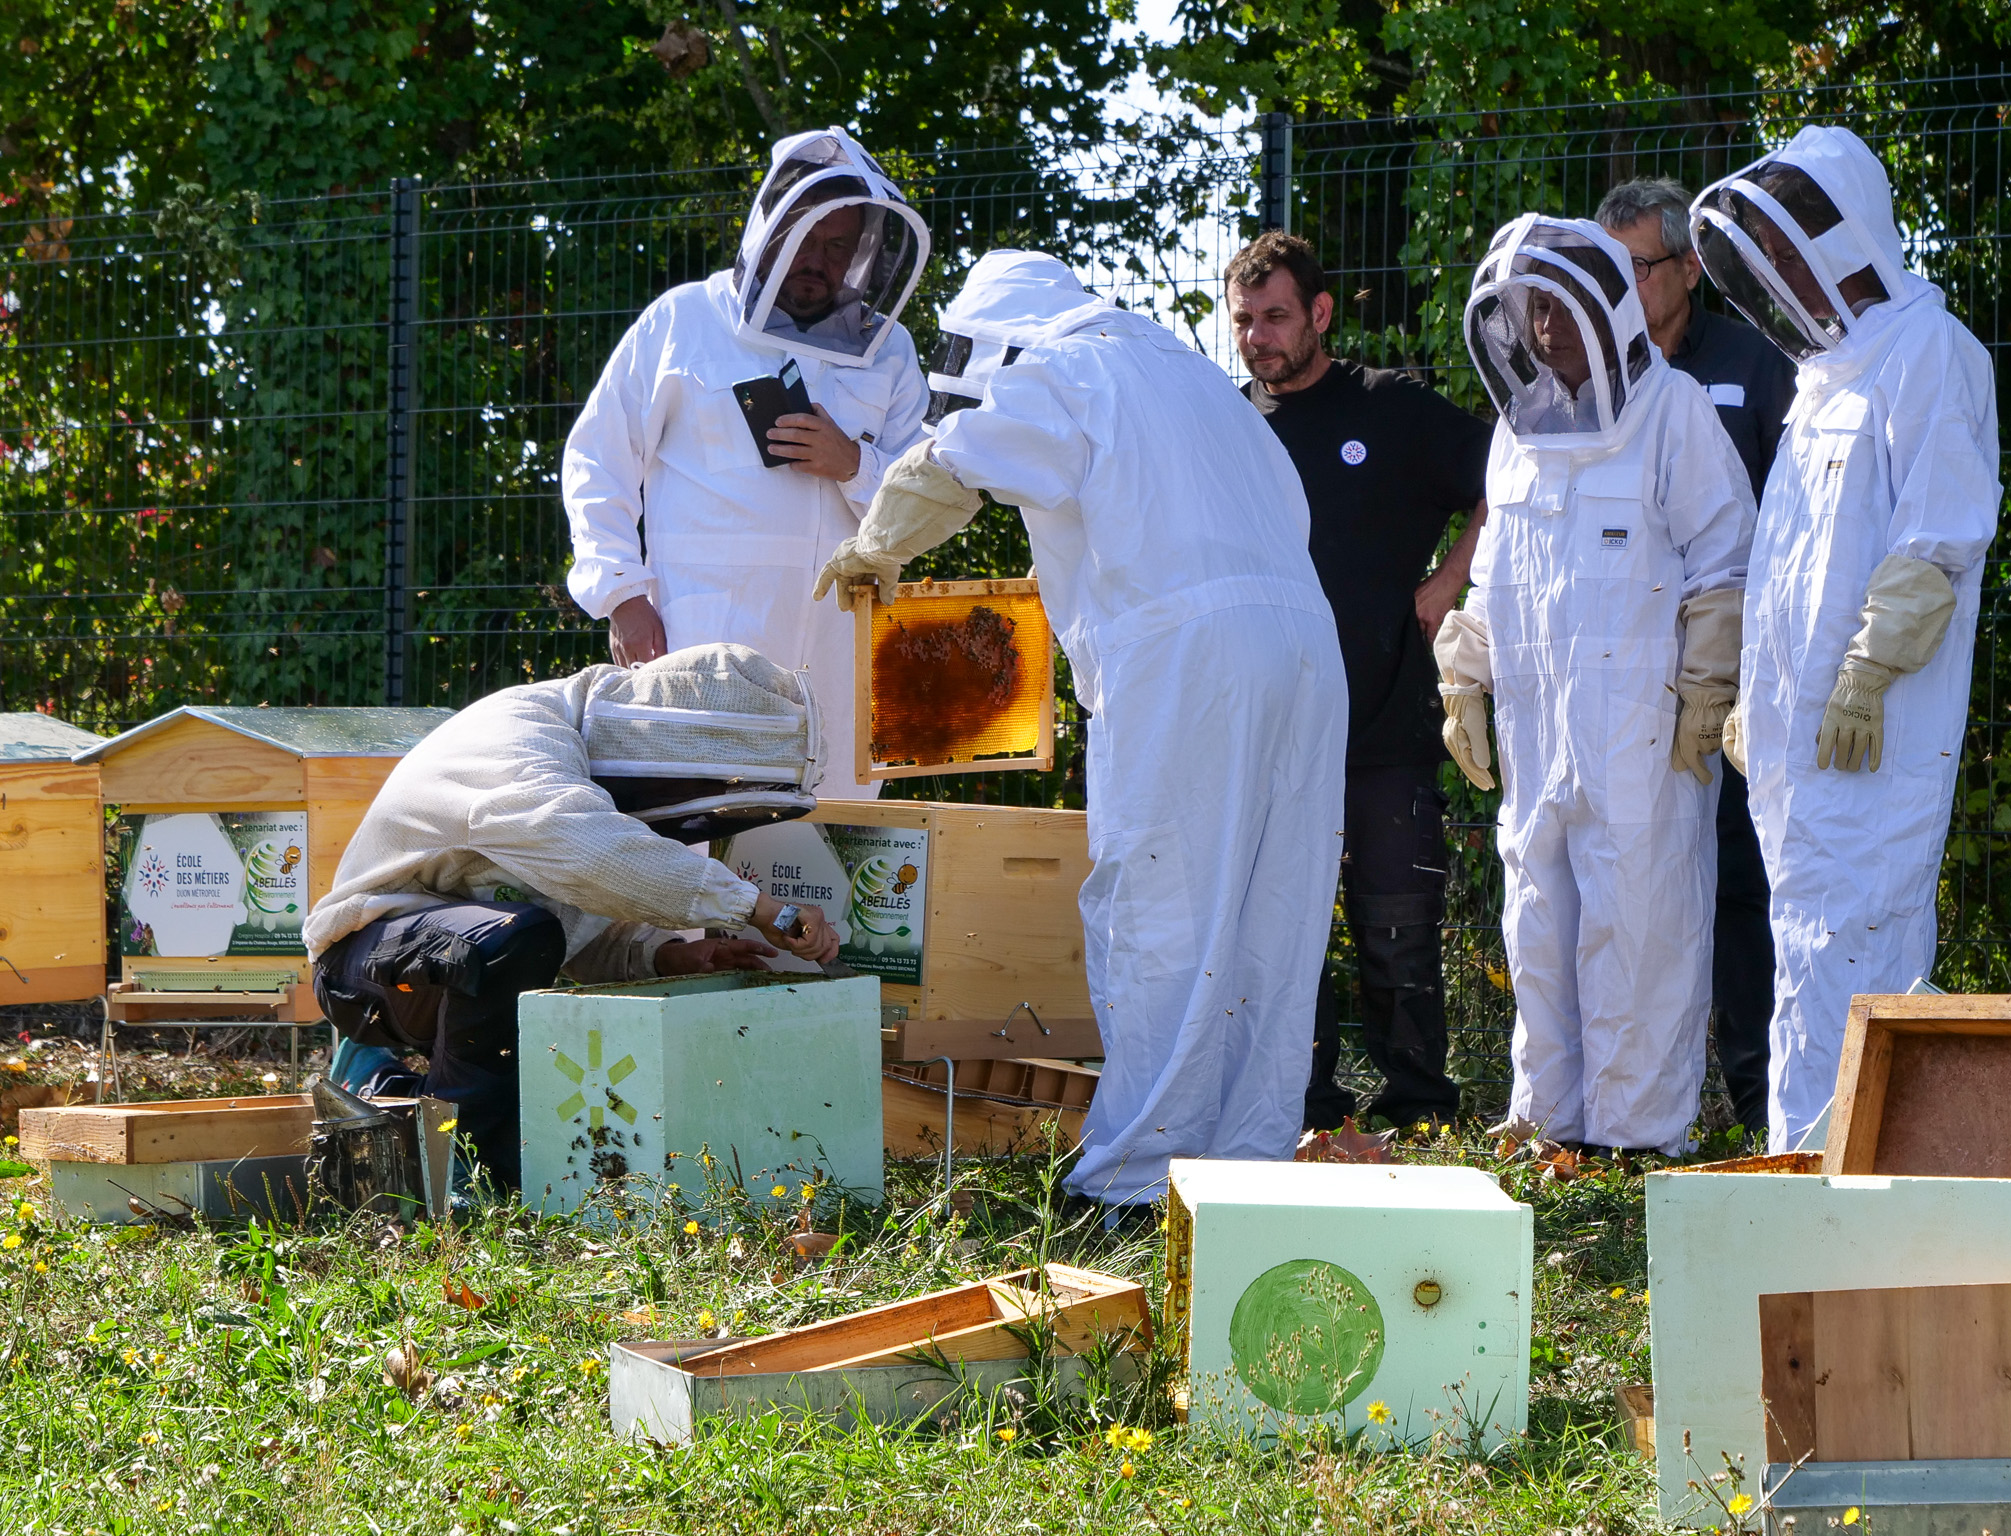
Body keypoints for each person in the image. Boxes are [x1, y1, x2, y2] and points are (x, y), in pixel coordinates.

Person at [813, 250, 1346, 1211]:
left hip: (1188, 655)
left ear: (1004, 336)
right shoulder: (1189, 373)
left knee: (1160, 911)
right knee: (1276, 913)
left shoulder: (1066, 366)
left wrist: (875, 543)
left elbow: (952, 460)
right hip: (1308, 648)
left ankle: (1136, 1182)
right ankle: (1247, 1172)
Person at [1691, 126, 2000, 1151]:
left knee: (1862, 943)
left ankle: (1856, 1169)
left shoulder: (1929, 352)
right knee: (1803, 946)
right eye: (1767, 254)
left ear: (1845, 232)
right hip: (1798, 739)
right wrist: (1754, 694)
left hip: (1877, 729)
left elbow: (1942, 533)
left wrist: (1865, 671)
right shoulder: (1823, 376)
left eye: (1792, 243)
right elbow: (1785, 563)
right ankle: (1800, 1156)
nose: (1779, 269)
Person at [1438, 215, 1754, 1154]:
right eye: (1531, 310)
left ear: (1609, 308)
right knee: (1537, 917)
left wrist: (1709, 683)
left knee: (1643, 927)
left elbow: (1725, 556)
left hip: (1645, 736)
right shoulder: (1516, 432)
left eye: (1562, 309)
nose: (1544, 329)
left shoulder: (1677, 412)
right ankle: (1551, 1122)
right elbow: (1496, 567)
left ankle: (1641, 1134)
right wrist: (1463, 667)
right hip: (1540, 730)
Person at [305, 645, 842, 1191]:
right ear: (679, 736)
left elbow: (568, 928)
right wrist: (756, 906)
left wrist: (665, 953)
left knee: (520, 938)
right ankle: (457, 1173)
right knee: (510, 941)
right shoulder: (518, 731)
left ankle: (388, 1097)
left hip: (439, 967)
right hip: (364, 967)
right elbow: (582, 848)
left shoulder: (583, 783)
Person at [561, 127, 931, 798]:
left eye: (837, 246)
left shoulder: (890, 351)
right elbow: (598, 457)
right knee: (692, 827)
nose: (818, 260)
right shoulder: (683, 320)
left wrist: (853, 462)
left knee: (831, 842)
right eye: (806, 238)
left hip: (840, 645)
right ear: (768, 229)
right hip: (706, 635)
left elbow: (925, 496)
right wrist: (621, 596)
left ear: (864, 254)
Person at [1224, 231, 1491, 1132]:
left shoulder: (1393, 408)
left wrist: (1449, 580)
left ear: (1321, 314)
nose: (1259, 338)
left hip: (1384, 724)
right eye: (1244, 322)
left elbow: (1508, 475)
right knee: (1283, 933)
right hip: (1271, 735)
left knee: (1398, 927)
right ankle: (1304, 1109)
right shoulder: (1229, 430)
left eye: (1276, 317)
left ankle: (1419, 1109)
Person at [1596, 177, 1797, 1139]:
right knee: (1637, 881)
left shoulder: (1756, 366)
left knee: (1742, 886)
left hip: (1746, 680)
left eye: (1638, 265)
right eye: (1610, 267)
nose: (1622, 285)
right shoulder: (1603, 384)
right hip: (1631, 689)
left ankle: (1759, 1109)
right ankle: (1646, 1101)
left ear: (1686, 268)